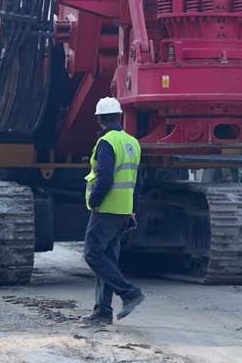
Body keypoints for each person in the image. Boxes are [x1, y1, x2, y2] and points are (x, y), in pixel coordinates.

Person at [82, 97, 146, 325]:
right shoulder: (132, 142)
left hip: (106, 208)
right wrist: (133, 211)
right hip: (123, 210)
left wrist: (96, 201)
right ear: (119, 116)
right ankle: (103, 311)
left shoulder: (106, 142)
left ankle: (129, 293)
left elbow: (105, 177)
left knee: (93, 254)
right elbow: (138, 181)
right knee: (106, 258)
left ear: (99, 119)